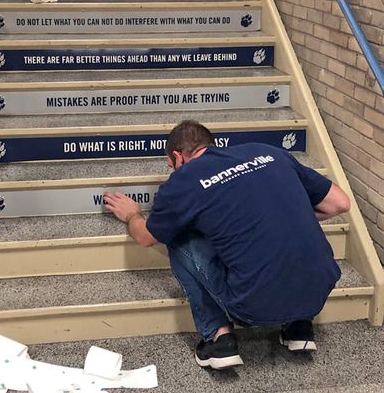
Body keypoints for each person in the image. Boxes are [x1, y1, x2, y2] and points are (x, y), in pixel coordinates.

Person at [103, 120, 350, 370]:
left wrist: (132, 214)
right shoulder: (268, 152)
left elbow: (146, 237)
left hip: (255, 306)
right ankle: (299, 327)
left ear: (178, 157)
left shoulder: (184, 180)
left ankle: (218, 339)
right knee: (285, 226)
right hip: (319, 291)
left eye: (171, 165)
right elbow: (339, 203)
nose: (173, 170)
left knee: (178, 238)